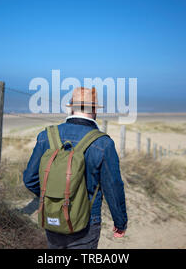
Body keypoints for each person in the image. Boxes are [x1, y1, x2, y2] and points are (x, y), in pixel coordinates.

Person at [23, 87, 128, 249]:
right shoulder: (103, 143)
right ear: (94, 110)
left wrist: (52, 196)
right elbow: (113, 188)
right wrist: (120, 222)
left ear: (70, 107)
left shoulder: (46, 136)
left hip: (53, 214)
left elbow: (30, 179)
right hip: (86, 220)